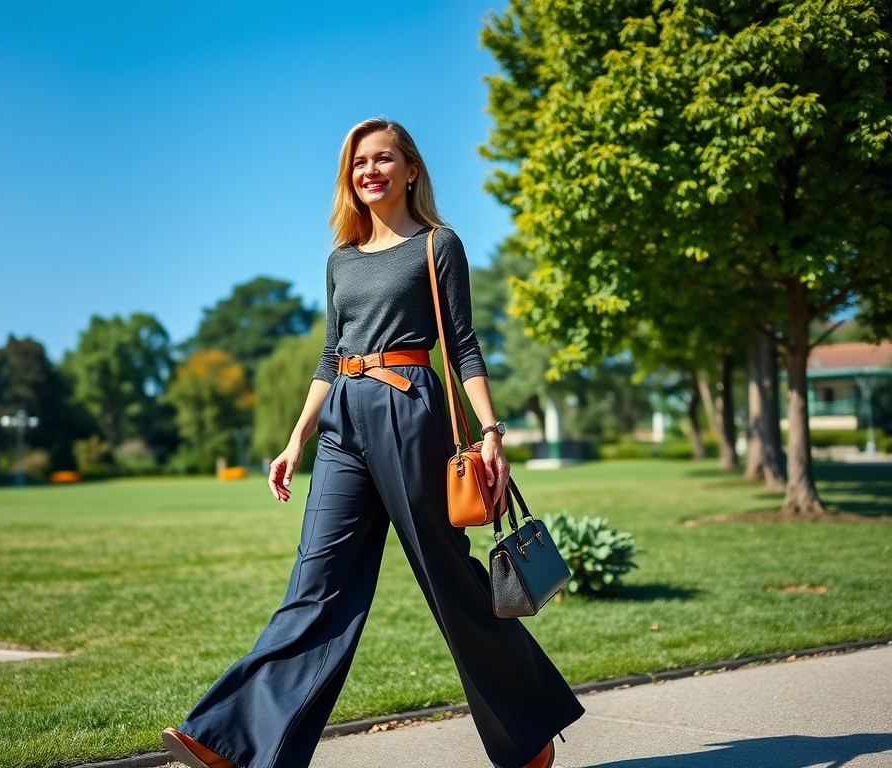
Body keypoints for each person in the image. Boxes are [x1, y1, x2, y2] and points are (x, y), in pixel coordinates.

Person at [161, 118, 584, 768]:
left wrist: (492, 433)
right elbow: (330, 357)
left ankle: (527, 735)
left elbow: (463, 346)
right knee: (316, 585)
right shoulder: (340, 259)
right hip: (344, 423)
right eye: (360, 163)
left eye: (384, 159)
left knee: (451, 580)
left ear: (410, 170)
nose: (371, 172)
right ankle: (236, 743)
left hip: (410, 409)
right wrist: (296, 439)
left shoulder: (438, 245)